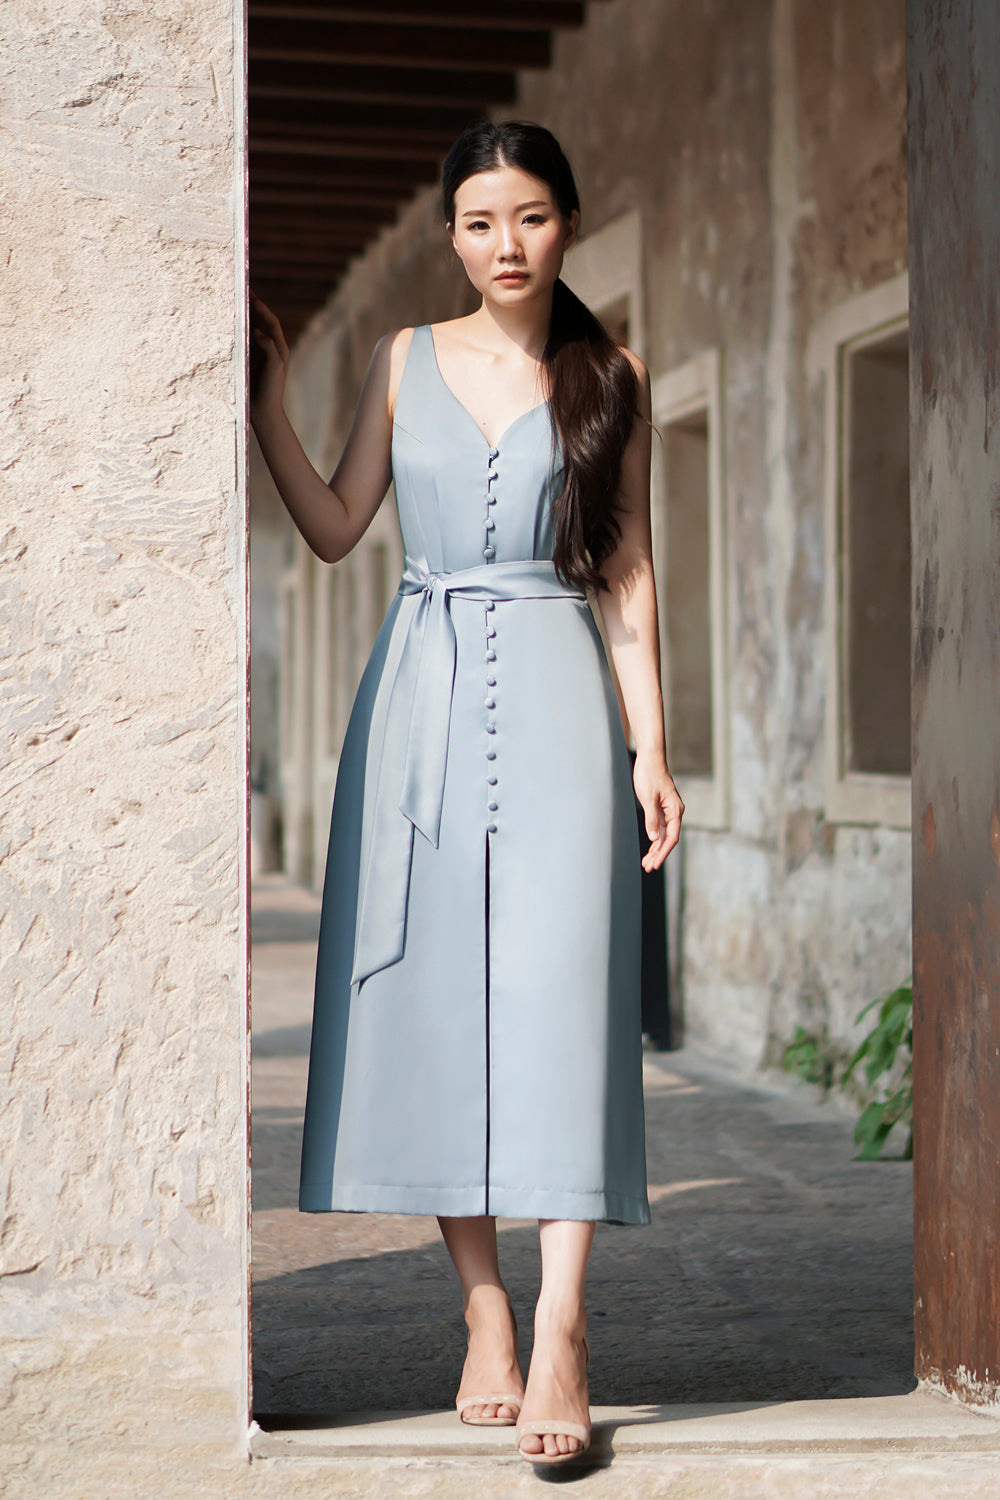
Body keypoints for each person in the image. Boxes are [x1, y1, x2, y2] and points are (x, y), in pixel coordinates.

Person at [249, 119, 684, 1468]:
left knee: (564, 1004)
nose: (509, 245)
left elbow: (624, 575)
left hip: (562, 706)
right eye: (483, 222)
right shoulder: (399, 363)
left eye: (534, 217)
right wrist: (265, 401)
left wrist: (650, 748)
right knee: (435, 1003)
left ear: (567, 224)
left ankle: (564, 1328)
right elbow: (332, 531)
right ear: (452, 235)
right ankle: (484, 1313)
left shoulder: (613, 373)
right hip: (416, 715)